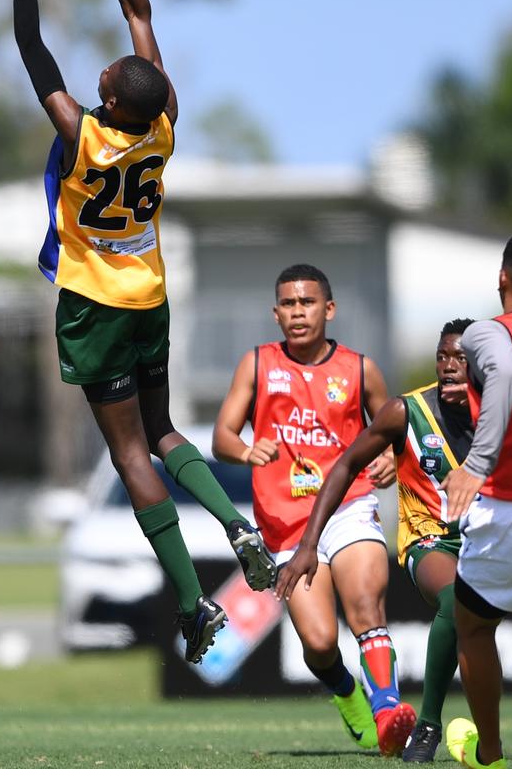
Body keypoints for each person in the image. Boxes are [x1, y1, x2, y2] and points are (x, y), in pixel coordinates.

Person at [0, 0, 276, 665]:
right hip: (149, 298)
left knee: (127, 453)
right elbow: (139, 9)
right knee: (166, 432)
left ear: (112, 102)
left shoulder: (83, 133)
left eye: (110, 76)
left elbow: (29, 43)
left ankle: (192, 603)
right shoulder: (164, 126)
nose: (107, 67)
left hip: (94, 305)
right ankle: (238, 522)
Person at [276, 317, 512, 763]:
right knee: (454, 601)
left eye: (461, 359)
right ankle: (427, 725)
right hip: (432, 542)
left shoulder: (509, 414)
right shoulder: (407, 411)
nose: (449, 366)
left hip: (496, 542)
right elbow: (346, 465)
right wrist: (309, 544)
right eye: (442, 356)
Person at [213, 263, 416, 756]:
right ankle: (348, 694)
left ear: (329, 309)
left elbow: (394, 427)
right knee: (321, 642)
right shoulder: (257, 364)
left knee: (367, 606)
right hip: (285, 522)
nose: (298, 312)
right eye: (288, 303)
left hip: (349, 506)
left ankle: (388, 710)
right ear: (276, 313)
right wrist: (245, 452)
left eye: (307, 303)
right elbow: (222, 435)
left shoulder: (360, 368)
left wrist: (392, 458)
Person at [442, 230, 512, 769]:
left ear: (503, 279)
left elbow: (508, 370)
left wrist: (477, 464)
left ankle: (489, 754)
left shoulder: (487, 332)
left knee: (472, 626)